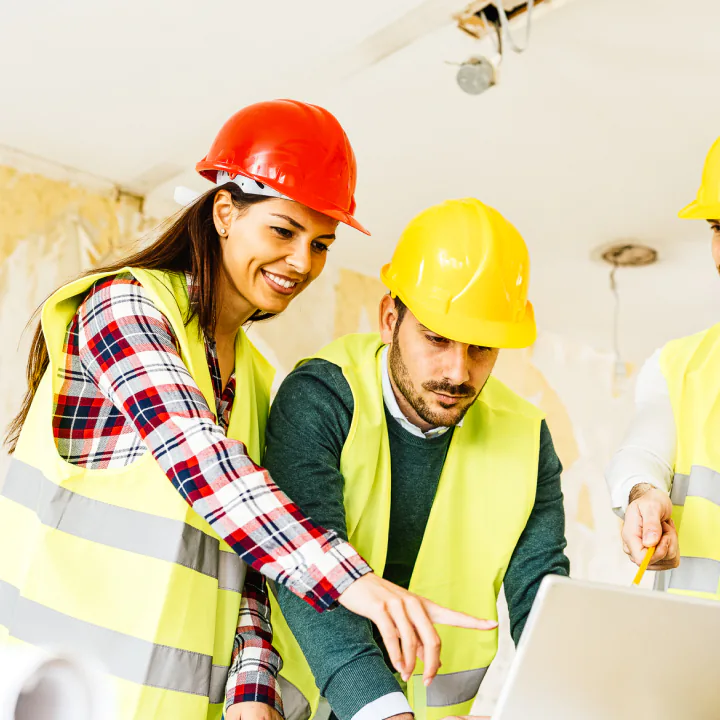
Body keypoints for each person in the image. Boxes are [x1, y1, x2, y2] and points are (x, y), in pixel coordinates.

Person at [0, 101, 486, 720]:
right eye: (283, 232)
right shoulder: (124, 308)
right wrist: (354, 582)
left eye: (321, 244)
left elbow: (246, 557)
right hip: (54, 696)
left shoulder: (254, 377)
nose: (302, 262)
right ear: (225, 212)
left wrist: (253, 691)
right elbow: (204, 465)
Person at [228, 198, 570, 720]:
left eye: (481, 348)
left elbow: (541, 596)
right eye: (437, 338)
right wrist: (383, 709)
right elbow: (307, 561)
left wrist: (575, 698)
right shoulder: (322, 394)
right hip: (298, 706)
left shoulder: (526, 436)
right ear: (391, 319)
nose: (458, 372)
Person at [606, 136, 720, 597]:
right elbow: (643, 453)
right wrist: (643, 494)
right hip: (689, 642)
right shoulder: (677, 366)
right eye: (718, 227)